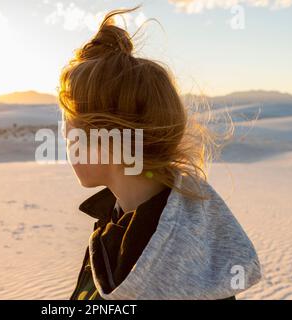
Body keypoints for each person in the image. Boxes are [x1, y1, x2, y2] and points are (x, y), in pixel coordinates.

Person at [58, 7, 261, 300]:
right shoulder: (122, 222)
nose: (65, 140)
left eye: (70, 130)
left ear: (107, 138)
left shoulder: (164, 258)